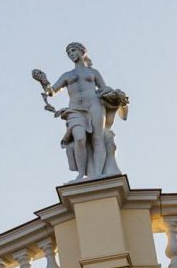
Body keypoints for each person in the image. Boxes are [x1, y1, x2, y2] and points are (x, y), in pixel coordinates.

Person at [32, 42, 127, 180]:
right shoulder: (67, 75)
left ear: (83, 52)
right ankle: (81, 174)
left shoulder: (93, 72)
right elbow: (52, 91)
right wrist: (44, 82)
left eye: (73, 50)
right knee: (80, 138)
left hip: (94, 105)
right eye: (69, 52)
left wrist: (116, 96)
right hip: (75, 109)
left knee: (97, 138)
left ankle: (98, 174)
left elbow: (103, 88)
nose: (71, 54)